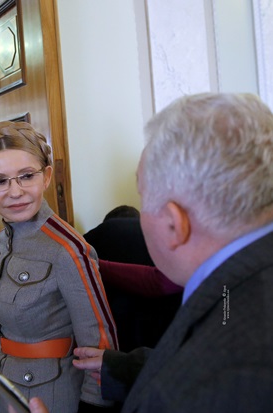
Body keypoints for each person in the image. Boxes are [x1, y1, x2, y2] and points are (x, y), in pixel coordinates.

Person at [73, 93, 273, 412]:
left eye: (142, 197)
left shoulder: (232, 373)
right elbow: (203, 350)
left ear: (173, 224)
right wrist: (126, 368)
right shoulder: (238, 283)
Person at [0, 121, 118, 412]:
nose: (15, 192)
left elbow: (100, 345)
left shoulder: (67, 249)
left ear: (47, 176)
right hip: (8, 382)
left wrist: (93, 407)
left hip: (54, 392)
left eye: (27, 176)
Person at [83, 206, 181, 351]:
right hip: (163, 342)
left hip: (109, 344)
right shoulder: (165, 238)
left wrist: (94, 264)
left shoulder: (98, 236)